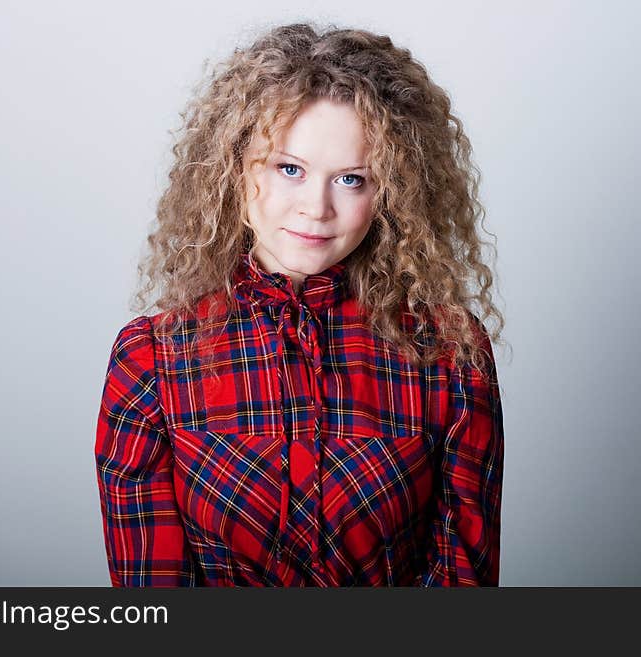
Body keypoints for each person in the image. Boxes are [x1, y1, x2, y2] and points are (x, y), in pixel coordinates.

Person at [94, 22, 505, 587]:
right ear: (234, 169)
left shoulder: (450, 356)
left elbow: (463, 581)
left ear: (391, 192)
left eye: (352, 179)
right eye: (290, 169)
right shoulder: (152, 360)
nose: (317, 207)